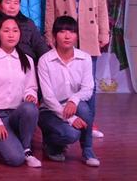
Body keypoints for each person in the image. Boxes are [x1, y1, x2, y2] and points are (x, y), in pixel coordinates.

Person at [44, 0, 109, 139]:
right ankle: (67, 121)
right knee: (63, 83)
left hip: (89, 33)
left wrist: (104, 32)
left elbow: (102, 5)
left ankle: (89, 126)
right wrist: (49, 34)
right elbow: (50, 7)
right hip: (65, 31)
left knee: (89, 85)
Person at [0, 16, 42, 168]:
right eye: (6, 31)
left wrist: (30, 95)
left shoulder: (27, 59)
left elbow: (31, 87)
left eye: (15, 31)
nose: (11, 35)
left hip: (16, 114)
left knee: (30, 108)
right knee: (15, 159)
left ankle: (26, 149)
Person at [38, 16, 99, 167]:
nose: (67, 36)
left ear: (77, 35)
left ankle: (87, 150)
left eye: (71, 32)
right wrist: (71, 119)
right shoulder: (45, 60)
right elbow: (48, 97)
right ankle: (50, 143)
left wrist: (73, 100)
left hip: (73, 105)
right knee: (72, 134)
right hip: (50, 109)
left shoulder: (85, 58)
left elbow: (88, 88)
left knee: (84, 107)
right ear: (54, 35)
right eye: (62, 32)